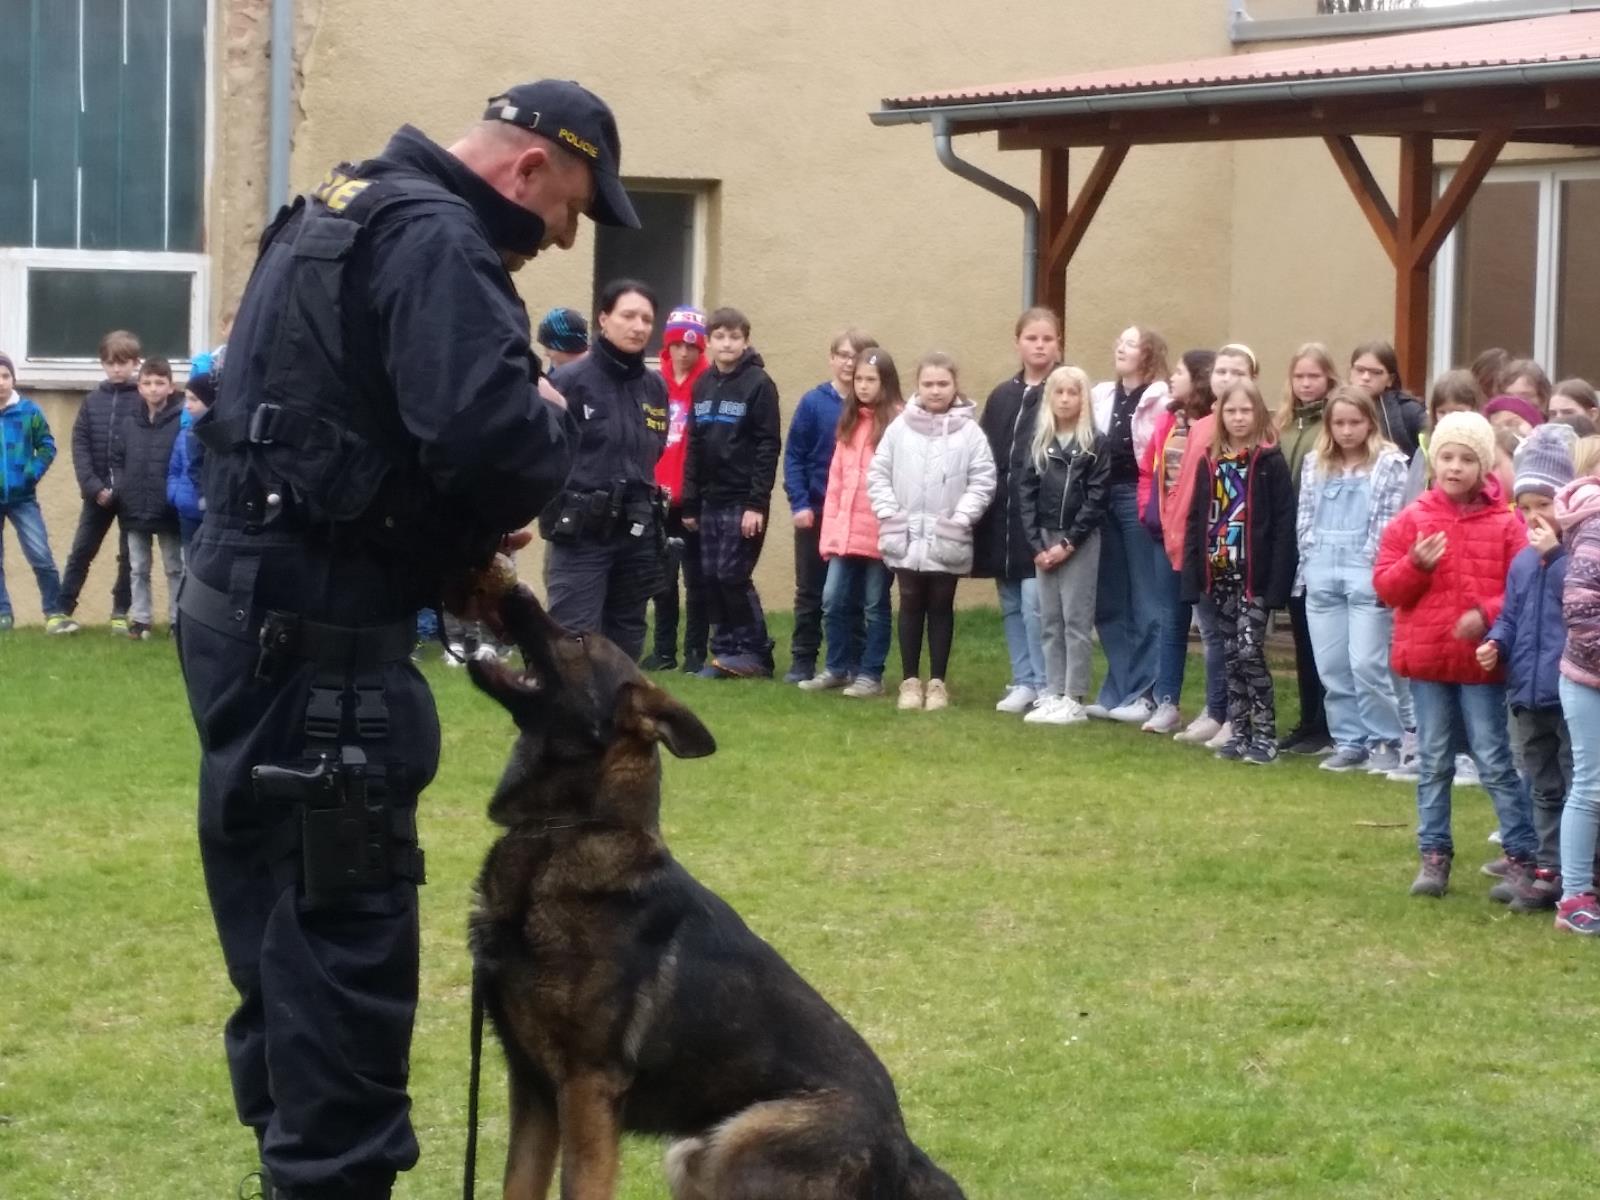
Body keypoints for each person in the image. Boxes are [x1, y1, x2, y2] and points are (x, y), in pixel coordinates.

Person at [176, 79, 625, 1199]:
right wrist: (549, 420)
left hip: (243, 624)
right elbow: (490, 447)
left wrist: (440, 546)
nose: (563, 237)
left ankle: (297, 1171)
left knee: (282, 950)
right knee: (340, 954)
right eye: (570, 208)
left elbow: (325, 435)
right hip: (323, 659)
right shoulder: (437, 240)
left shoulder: (337, 205)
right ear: (528, 172)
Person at [1373, 411, 1537, 898]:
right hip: (1427, 663)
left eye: (1467, 459)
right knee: (1434, 759)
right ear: (1433, 461)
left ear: (1484, 466)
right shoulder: (1413, 520)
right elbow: (1386, 587)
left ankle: (1522, 856)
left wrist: (1485, 615)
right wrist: (1415, 566)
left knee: (1493, 758)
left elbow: (1521, 587)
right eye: (1446, 456)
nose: (1455, 467)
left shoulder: (1506, 525)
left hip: (1479, 664)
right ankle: (1434, 854)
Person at [539, 279, 669, 662]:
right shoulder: (568, 382)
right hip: (582, 533)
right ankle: (565, 724)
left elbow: (654, 449)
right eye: (628, 315)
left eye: (646, 318)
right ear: (603, 319)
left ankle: (616, 723)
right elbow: (541, 453)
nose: (639, 326)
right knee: (572, 645)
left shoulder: (655, 387)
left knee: (625, 646)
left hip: (637, 532)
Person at [1478, 423, 1578, 912]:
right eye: (1526, 508)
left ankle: (1579, 872)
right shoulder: (1521, 562)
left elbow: (1579, 600)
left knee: (1576, 780)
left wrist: (1556, 557)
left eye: (1545, 505)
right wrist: (1495, 642)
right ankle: (1547, 868)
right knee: (1541, 783)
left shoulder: (1577, 553)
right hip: (1527, 692)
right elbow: (1512, 617)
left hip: (1570, 692)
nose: (1535, 517)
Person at [869, 352, 995, 712]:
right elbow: (878, 473)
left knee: (941, 605)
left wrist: (961, 517)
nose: (935, 391)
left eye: (943, 384)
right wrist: (891, 513)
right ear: (917, 386)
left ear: (955, 386)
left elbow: (983, 479)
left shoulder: (970, 432)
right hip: (905, 533)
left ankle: (937, 682)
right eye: (928, 384)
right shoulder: (899, 427)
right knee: (909, 602)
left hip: (946, 535)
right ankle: (910, 681)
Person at [1183, 377, 1297, 765]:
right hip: (1220, 574)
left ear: (1259, 413)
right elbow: (1198, 519)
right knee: (1230, 655)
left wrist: (1277, 584)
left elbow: (1284, 525)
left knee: (1250, 651)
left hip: (1255, 578)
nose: (1237, 418)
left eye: (1245, 410)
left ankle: (1265, 733)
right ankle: (1241, 730)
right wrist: (1193, 576)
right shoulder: (1210, 461)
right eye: (1230, 411)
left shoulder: (1269, 462)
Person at [1295, 386, 1409, 773]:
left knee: (1367, 664)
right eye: (1339, 423)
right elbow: (1305, 517)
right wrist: (1309, 563)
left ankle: (1385, 739)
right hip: (1323, 567)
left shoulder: (1389, 463)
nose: (1347, 431)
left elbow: (1391, 523)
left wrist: (1379, 571)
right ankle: (1349, 739)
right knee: (1332, 665)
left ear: (1369, 422)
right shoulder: (1316, 462)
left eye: (1355, 422)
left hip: (1366, 568)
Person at [681, 306, 781, 678]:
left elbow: (768, 446)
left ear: (745, 341)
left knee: (732, 574)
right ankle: (724, 651)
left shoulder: (759, 384)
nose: (727, 343)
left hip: (743, 501)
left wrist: (757, 503)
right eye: (720, 337)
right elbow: (693, 445)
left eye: (734, 337)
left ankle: (755, 651)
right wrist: (690, 501)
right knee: (710, 575)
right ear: (709, 341)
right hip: (709, 500)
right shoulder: (703, 384)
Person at [803, 347, 904, 697]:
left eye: (870, 380)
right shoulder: (848, 420)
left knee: (875, 604)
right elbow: (836, 483)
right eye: (858, 379)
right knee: (832, 600)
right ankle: (837, 666)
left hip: (879, 533)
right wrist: (830, 532)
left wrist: (893, 528)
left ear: (885, 382)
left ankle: (870, 673)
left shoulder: (898, 423)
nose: (862, 386)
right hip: (844, 533)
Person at [974, 308, 1061, 714]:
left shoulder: (1062, 390)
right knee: (1010, 601)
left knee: (1034, 602)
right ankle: (1023, 678)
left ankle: (1047, 682)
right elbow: (985, 452)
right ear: (1018, 343)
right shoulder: (1002, 395)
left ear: (1058, 343)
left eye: (1047, 338)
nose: (1039, 345)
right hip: (1002, 514)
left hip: (1040, 513)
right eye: (1032, 338)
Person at [782, 328, 877, 683]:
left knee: (850, 594)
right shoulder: (813, 402)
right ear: (832, 359)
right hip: (817, 510)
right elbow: (794, 456)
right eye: (843, 355)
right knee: (810, 590)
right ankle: (803, 659)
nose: (849, 363)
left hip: (856, 517)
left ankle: (852, 661)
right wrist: (800, 502)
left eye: (857, 356)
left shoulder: (871, 409)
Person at [1088, 324, 1170, 723]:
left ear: (1149, 353)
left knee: (1146, 600)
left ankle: (1145, 693)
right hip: (1101, 498)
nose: (1121, 347)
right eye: (1119, 341)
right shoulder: (1101, 394)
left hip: (1136, 497)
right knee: (1109, 600)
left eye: (1131, 343)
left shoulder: (1161, 398)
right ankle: (1117, 689)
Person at [1018, 364, 1108, 725]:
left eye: (1073, 392)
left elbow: (1097, 498)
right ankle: (1053, 691)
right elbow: (1025, 493)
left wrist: (1069, 542)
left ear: (1083, 398)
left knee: (1075, 619)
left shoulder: (1095, 444)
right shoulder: (1040, 442)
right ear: (1049, 398)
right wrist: (1038, 545)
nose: (1066, 399)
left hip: (1079, 541)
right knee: (1049, 619)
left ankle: (1074, 696)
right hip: (1045, 539)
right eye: (1059, 392)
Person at [1144, 348, 1225, 741]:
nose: (1172, 378)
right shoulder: (1168, 422)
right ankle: (1167, 701)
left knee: (1210, 625)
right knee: (1170, 619)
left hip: (1199, 538)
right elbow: (1151, 471)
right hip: (1166, 533)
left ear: (1198, 378)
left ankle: (1218, 708)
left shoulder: (1215, 424)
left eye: (1179, 372)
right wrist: (1152, 512)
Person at [1274, 343, 1343, 757]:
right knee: (1300, 632)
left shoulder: (1330, 425)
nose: (1305, 384)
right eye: (1299, 376)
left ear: (1328, 379)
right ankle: (1308, 718)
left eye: (1313, 376)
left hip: (1320, 538)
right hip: (1289, 540)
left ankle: (1329, 723)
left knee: (1325, 638)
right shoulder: (1285, 425)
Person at [641, 305, 710, 673]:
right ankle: (664, 651)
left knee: (696, 580)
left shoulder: (707, 383)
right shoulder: (653, 382)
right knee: (662, 581)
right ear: (667, 345)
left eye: (693, 346)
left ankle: (695, 652)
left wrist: (695, 496)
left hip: (691, 498)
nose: (685, 353)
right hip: (656, 497)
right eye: (678, 345)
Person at [58, 328, 140, 630]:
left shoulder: (141, 400)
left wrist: (122, 487)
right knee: (81, 551)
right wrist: (93, 487)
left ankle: (121, 611)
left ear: (135, 363)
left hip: (129, 495)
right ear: (103, 364)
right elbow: (79, 446)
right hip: (96, 495)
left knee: (129, 556)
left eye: (123, 362)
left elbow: (142, 448)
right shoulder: (92, 401)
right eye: (110, 362)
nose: (116, 368)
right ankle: (62, 610)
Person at [1552, 467, 1600, 933]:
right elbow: (1582, 608)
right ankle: (1574, 898)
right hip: (1589, 678)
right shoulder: (1596, 528)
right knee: (1591, 785)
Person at [0, 351, 76, 634]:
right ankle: (3, 614)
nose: (1, 382)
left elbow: (46, 446)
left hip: (23, 499)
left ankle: (54, 613)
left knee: (40, 554)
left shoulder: (29, 411)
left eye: (5, 376)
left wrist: (31, 473)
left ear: (13, 379)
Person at [114, 357, 186, 638]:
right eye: (147, 383)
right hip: (133, 506)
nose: (153, 389)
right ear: (139, 387)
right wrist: (121, 487)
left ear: (170, 387)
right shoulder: (129, 420)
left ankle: (177, 620)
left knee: (174, 567)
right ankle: (141, 619)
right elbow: (117, 458)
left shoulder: (181, 420)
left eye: (160, 383)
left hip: (168, 507)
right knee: (138, 567)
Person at [1347, 340, 1425, 460]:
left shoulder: (1409, 412)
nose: (1366, 377)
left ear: (1390, 379)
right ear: (1350, 373)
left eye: (1376, 372)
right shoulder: (1336, 408)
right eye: (1360, 370)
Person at [168, 371, 215, 551]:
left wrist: (206, 497)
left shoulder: (218, 434)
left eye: (194, 400)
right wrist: (175, 496)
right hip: (187, 510)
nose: (187, 406)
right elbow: (176, 468)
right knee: (188, 563)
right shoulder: (188, 432)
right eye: (186, 399)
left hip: (210, 513)